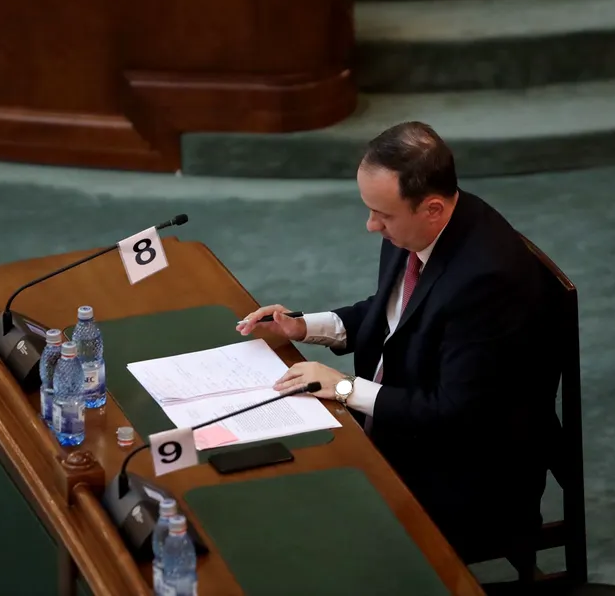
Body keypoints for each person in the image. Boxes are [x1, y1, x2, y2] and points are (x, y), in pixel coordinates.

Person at [237, 121, 554, 562]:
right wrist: (303, 327)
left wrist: (343, 387)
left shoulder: (487, 280)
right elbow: (396, 314)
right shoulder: (420, 226)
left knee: (304, 521)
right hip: (405, 419)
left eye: (382, 215)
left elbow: (454, 413)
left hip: (462, 472)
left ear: (432, 209)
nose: (371, 226)